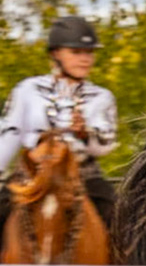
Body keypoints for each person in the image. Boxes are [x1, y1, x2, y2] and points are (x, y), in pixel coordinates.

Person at [0, 14, 119, 240]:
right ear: (56, 54)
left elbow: (106, 144)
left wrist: (85, 133)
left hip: (82, 174)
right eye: (76, 52)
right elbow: (9, 134)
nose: (85, 59)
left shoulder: (102, 97)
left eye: (89, 52)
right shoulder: (27, 90)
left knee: (120, 221)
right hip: (31, 173)